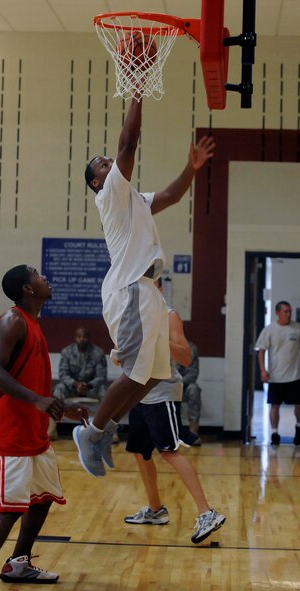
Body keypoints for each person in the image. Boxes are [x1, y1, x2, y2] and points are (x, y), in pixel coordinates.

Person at [73, 89, 215, 477]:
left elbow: (170, 194)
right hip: (129, 288)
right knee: (137, 371)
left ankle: (107, 427)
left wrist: (193, 168)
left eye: (108, 162)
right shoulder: (111, 195)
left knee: (155, 373)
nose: (109, 163)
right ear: (97, 183)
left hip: (148, 290)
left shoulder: (131, 198)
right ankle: (92, 432)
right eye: (102, 165)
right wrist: (137, 89)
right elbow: (128, 143)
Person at [0, 264, 88, 591]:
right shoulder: (13, 320)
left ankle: (19, 563)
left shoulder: (33, 323)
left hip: (32, 433)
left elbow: (32, 381)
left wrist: (60, 407)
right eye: (37, 275)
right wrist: (36, 400)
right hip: (6, 433)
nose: (44, 278)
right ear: (28, 289)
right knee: (10, 509)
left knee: (42, 497)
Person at [124, 283, 225, 543]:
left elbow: (185, 357)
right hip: (138, 392)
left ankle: (207, 512)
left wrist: (157, 337)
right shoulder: (133, 315)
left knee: (169, 452)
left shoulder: (169, 315)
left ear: (157, 287)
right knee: (139, 452)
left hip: (161, 394)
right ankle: (156, 510)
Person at [50, 327, 108, 440]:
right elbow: (63, 374)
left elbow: (101, 376)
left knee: (105, 393)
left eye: (85, 337)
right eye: (79, 336)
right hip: (72, 387)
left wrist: (88, 385)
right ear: (75, 337)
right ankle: (51, 430)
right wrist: (76, 384)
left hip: (91, 388)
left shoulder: (98, 353)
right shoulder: (67, 352)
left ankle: (108, 431)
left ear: (89, 338)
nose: (82, 339)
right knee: (58, 390)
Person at [255, 300, 300, 446]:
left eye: (289, 311)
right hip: (276, 377)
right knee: (274, 406)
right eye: (285, 311)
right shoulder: (269, 330)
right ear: (277, 313)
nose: (288, 314)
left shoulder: (297, 328)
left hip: (295, 376)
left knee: (298, 405)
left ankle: (298, 429)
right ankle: (274, 433)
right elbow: (261, 350)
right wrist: (263, 370)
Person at [176, 341, 202, 445]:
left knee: (194, 389)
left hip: (182, 385)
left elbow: (193, 374)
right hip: (163, 386)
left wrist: (177, 382)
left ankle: (193, 432)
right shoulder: (159, 344)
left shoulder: (189, 348)